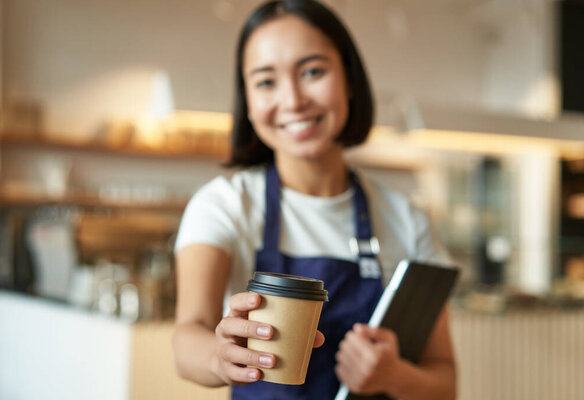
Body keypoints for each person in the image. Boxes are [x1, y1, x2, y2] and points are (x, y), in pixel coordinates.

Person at [172, 0, 456, 399]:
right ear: (248, 103)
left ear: (350, 80)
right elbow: (188, 335)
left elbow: (445, 383)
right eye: (266, 81)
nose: (292, 100)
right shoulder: (224, 206)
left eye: (312, 71)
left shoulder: (407, 221)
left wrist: (394, 377)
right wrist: (218, 357)